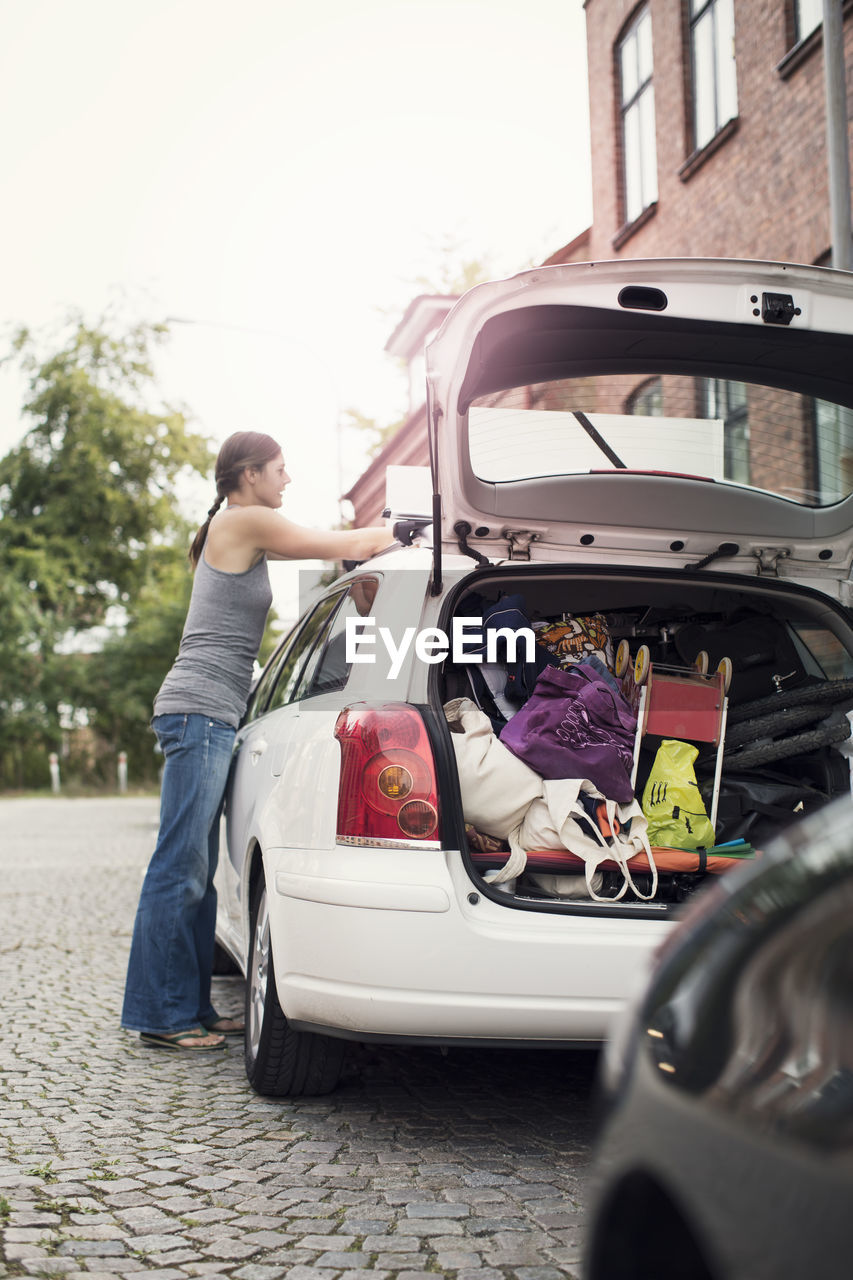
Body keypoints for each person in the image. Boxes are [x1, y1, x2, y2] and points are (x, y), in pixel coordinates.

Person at [121, 431, 395, 1051]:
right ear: (248, 475)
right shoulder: (243, 522)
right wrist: (406, 535)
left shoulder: (234, 526)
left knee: (199, 874)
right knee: (179, 868)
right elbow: (340, 543)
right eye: (279, 469)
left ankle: (190, 1006)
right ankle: (159, 1016)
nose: (286, 480)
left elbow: (337, 557)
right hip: (199, 714)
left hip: (211, 715)